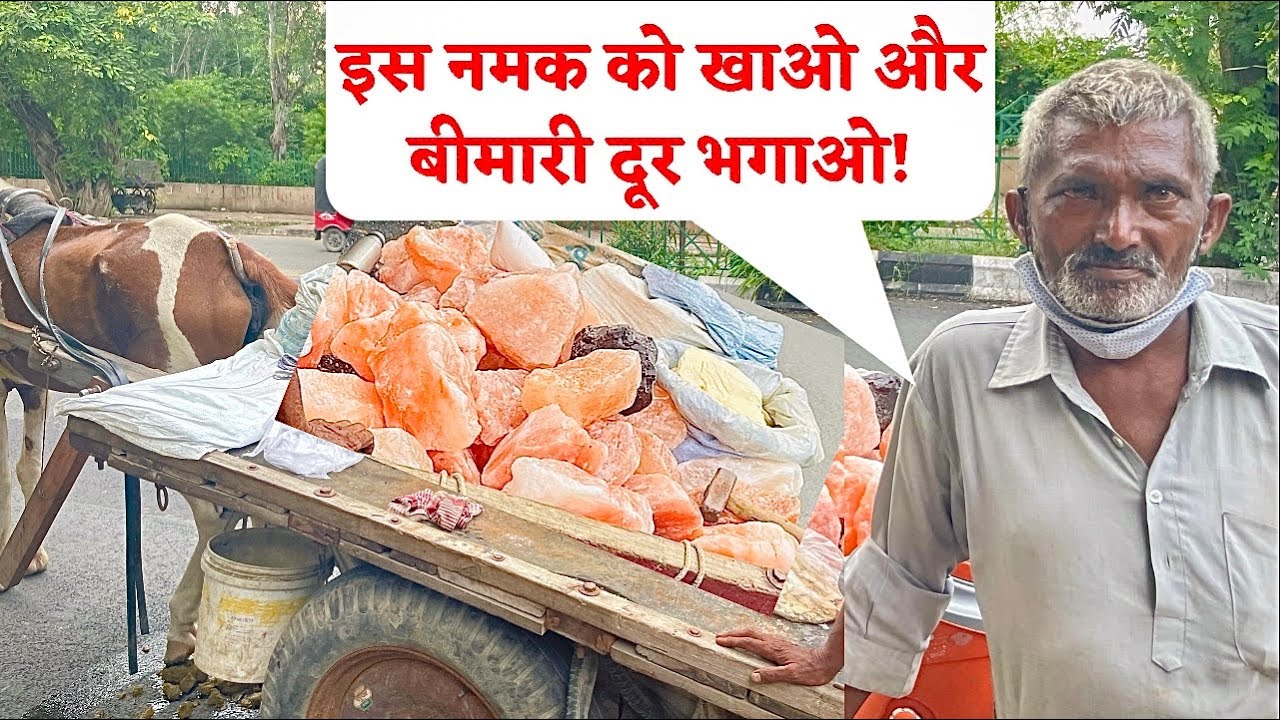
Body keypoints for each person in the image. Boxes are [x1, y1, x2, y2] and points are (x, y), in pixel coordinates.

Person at [716, 58, 1279, 718]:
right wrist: (829, 663)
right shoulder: (963, 368)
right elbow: (900, 567)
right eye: (1081, 192)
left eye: (1159, 194)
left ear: (1209, 221)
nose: (1119, 232)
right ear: (1021, 214)